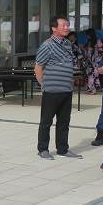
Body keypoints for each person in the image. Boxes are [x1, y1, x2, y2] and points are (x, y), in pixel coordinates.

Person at [34, 15, 81, 159]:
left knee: (64, 122)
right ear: (54, 28)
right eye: (64, 25)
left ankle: (63, 149)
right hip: (51, 91)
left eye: (68, 25)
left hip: (66, 90)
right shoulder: (47, 45)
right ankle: (43, 149)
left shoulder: (67, 44)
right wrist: (44, 85)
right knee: (46, 121)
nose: (67, 27)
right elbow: (38, 68)